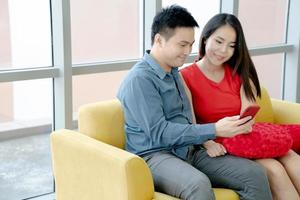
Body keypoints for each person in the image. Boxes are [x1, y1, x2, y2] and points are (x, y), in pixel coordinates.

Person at [117, 5, 272, 200]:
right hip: (154, 155)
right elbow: (159, 133)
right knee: (198, 185)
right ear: (159, 40)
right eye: (182, 45)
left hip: (188, 149)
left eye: (190, 44)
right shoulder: (140, 80)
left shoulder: (173, 72)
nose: (188, 51)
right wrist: (213, 130)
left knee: (254, 174)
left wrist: (204, 141)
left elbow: (186, 118)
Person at [180, 13, 300, 200]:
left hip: (246, 138)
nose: (223, 50)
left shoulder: (240, 73)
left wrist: (246, 124)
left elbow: (249, 114)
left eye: (231, 46)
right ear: (205, 38)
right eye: (218, 41)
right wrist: (207, 142)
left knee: (293, 159)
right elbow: (190, 122)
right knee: (275, 170)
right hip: (217, 144)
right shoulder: (185, 77)